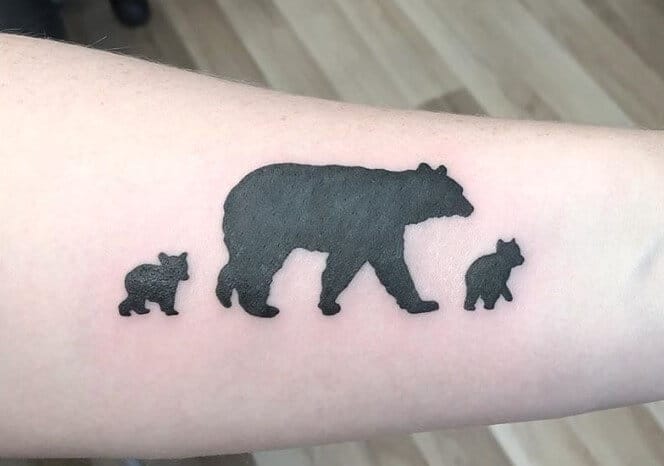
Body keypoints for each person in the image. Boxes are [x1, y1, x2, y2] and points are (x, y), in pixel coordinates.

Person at [0, 33, 662, 459]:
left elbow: (359, 259)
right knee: (266, 258)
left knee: (290, 259)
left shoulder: (388, 201)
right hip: (272, 201)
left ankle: (240, 287)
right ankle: (243, 292)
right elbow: (379, 259)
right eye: (453, 202)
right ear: (428, 193)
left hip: (274, 196)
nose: (458, 210)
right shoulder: (385, 201)